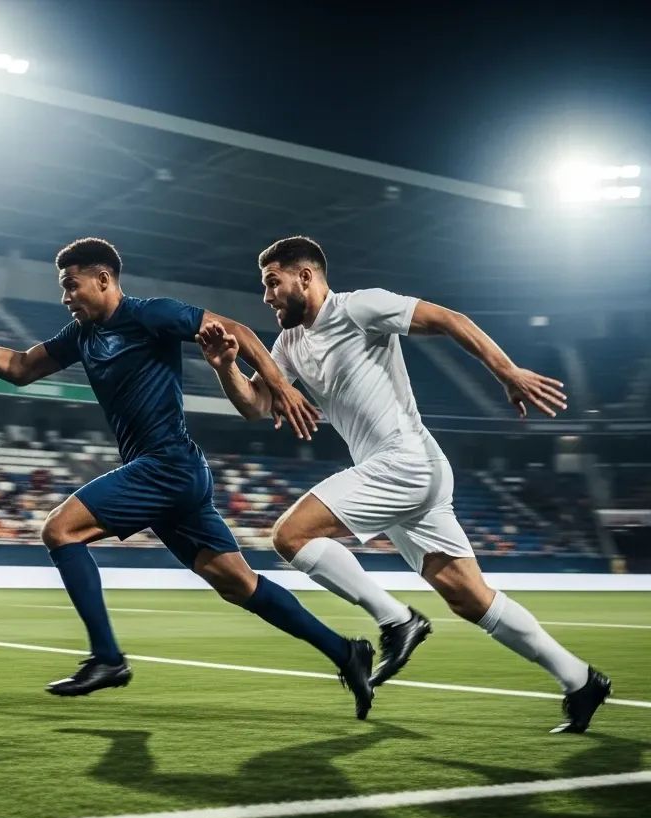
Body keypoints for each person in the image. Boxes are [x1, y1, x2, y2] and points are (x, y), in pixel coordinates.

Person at [0, 237, 375, 715]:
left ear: (104, 279)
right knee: (237, 583)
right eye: (62, 289)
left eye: (71, 286)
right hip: (172, 474)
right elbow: (20, 367)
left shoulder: (150, 314)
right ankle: (346, 652)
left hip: (166, 465)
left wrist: (279, 386)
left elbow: (235, 327)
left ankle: (108, 658)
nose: (66, 297)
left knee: (59, 529)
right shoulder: (81, 337)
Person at [199, 235, 610, 734]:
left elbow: (449, 320)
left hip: (404, 462)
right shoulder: (288, 344)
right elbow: (257, 407)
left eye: (272, 282)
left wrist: (507, 372)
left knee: (291, 536)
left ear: (304, 277)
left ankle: (397, 621)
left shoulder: (360, 307)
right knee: (468, 597)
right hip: (407, 474)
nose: (266, 296)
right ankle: (580, 679)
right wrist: (225, 368)